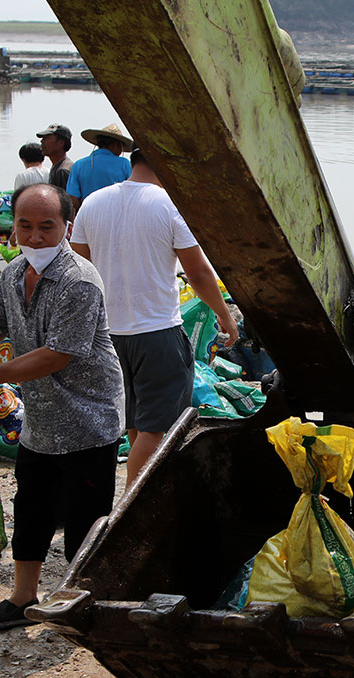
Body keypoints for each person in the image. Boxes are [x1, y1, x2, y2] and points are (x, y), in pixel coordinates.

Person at [0, 183, 123, 632]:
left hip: (87, 419)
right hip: (41, 421)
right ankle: (23, 597)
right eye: (25, 226)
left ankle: (81, 601)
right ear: (13, 227)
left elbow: (57, 355)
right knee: (31, 509)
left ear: (67, 226)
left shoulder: (79, 280)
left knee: (86, 519)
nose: (35, 237)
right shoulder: (11, 274)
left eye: (47, 226)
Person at [71, 146, 239, 484]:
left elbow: (79, 267)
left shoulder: (92, 203)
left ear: (132, 162)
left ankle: (135, 495)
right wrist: (224, 314)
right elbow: (198, 273)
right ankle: (132, 505)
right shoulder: (168, 204)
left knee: (136, 423)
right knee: (157, 430)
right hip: (158, 333)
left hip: (109, 336)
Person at [65, 123, 132, 213]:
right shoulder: (124, 164)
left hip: (88, 214)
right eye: (121, 147)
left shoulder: (79, 165)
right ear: (114, 145)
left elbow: (73, 199)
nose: (121, 151)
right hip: (117, 215)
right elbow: (132, 192)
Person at [36, 123, 73, 191]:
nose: (42, 141)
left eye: (47, 138)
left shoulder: (62, 171)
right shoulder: (58, 166)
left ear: (61, 143)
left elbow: (64, 197)